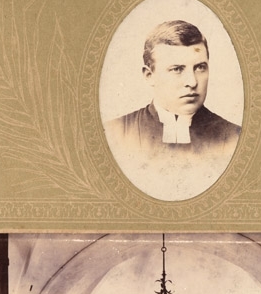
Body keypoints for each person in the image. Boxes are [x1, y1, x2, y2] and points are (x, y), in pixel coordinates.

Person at [103, 20, 241, 201]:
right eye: (177, 69)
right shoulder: (115, 134)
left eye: (200, 68)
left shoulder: (234, 138)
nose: (192, 82)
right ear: (149, 75)